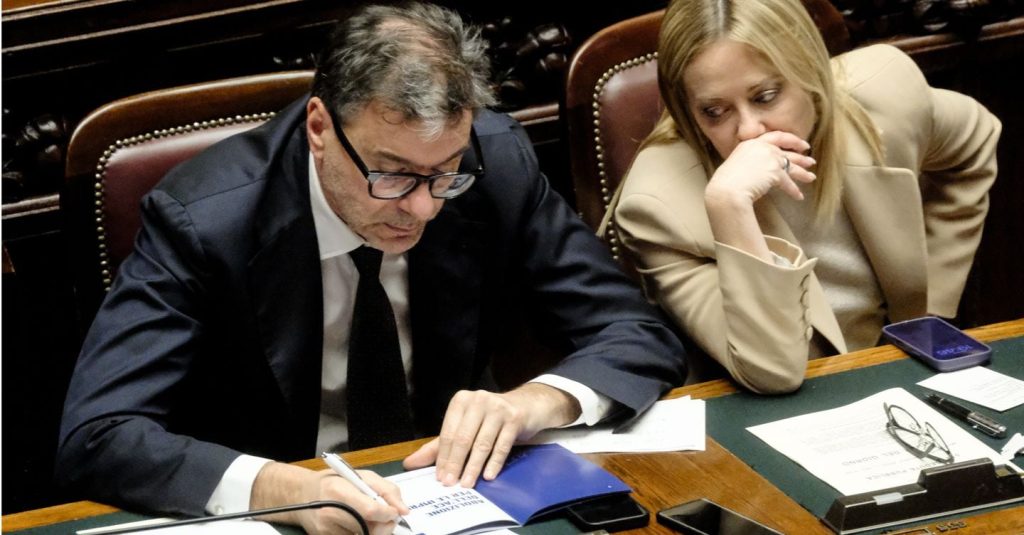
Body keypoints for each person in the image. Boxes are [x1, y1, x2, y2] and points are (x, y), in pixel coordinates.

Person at [56, 3, 688, 534]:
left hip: (451, 501)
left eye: (444, 174)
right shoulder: (206, 220)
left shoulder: (495, 166)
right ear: (319, 127)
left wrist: (535, 402)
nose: (422, 208)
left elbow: (636, 334)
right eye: (394, 174)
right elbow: (98, 435)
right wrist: (283, 489)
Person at [610, 0, 998, 394]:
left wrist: (931, 316)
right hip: (781, 409)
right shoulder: (658, 205)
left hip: (899, 377)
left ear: (809, 69)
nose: (749, 130)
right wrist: (730, 207)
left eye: (765, 96)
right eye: (714, 111)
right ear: (688, 113)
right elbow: (772, 372)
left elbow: (975, 142)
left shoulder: (883, 94)